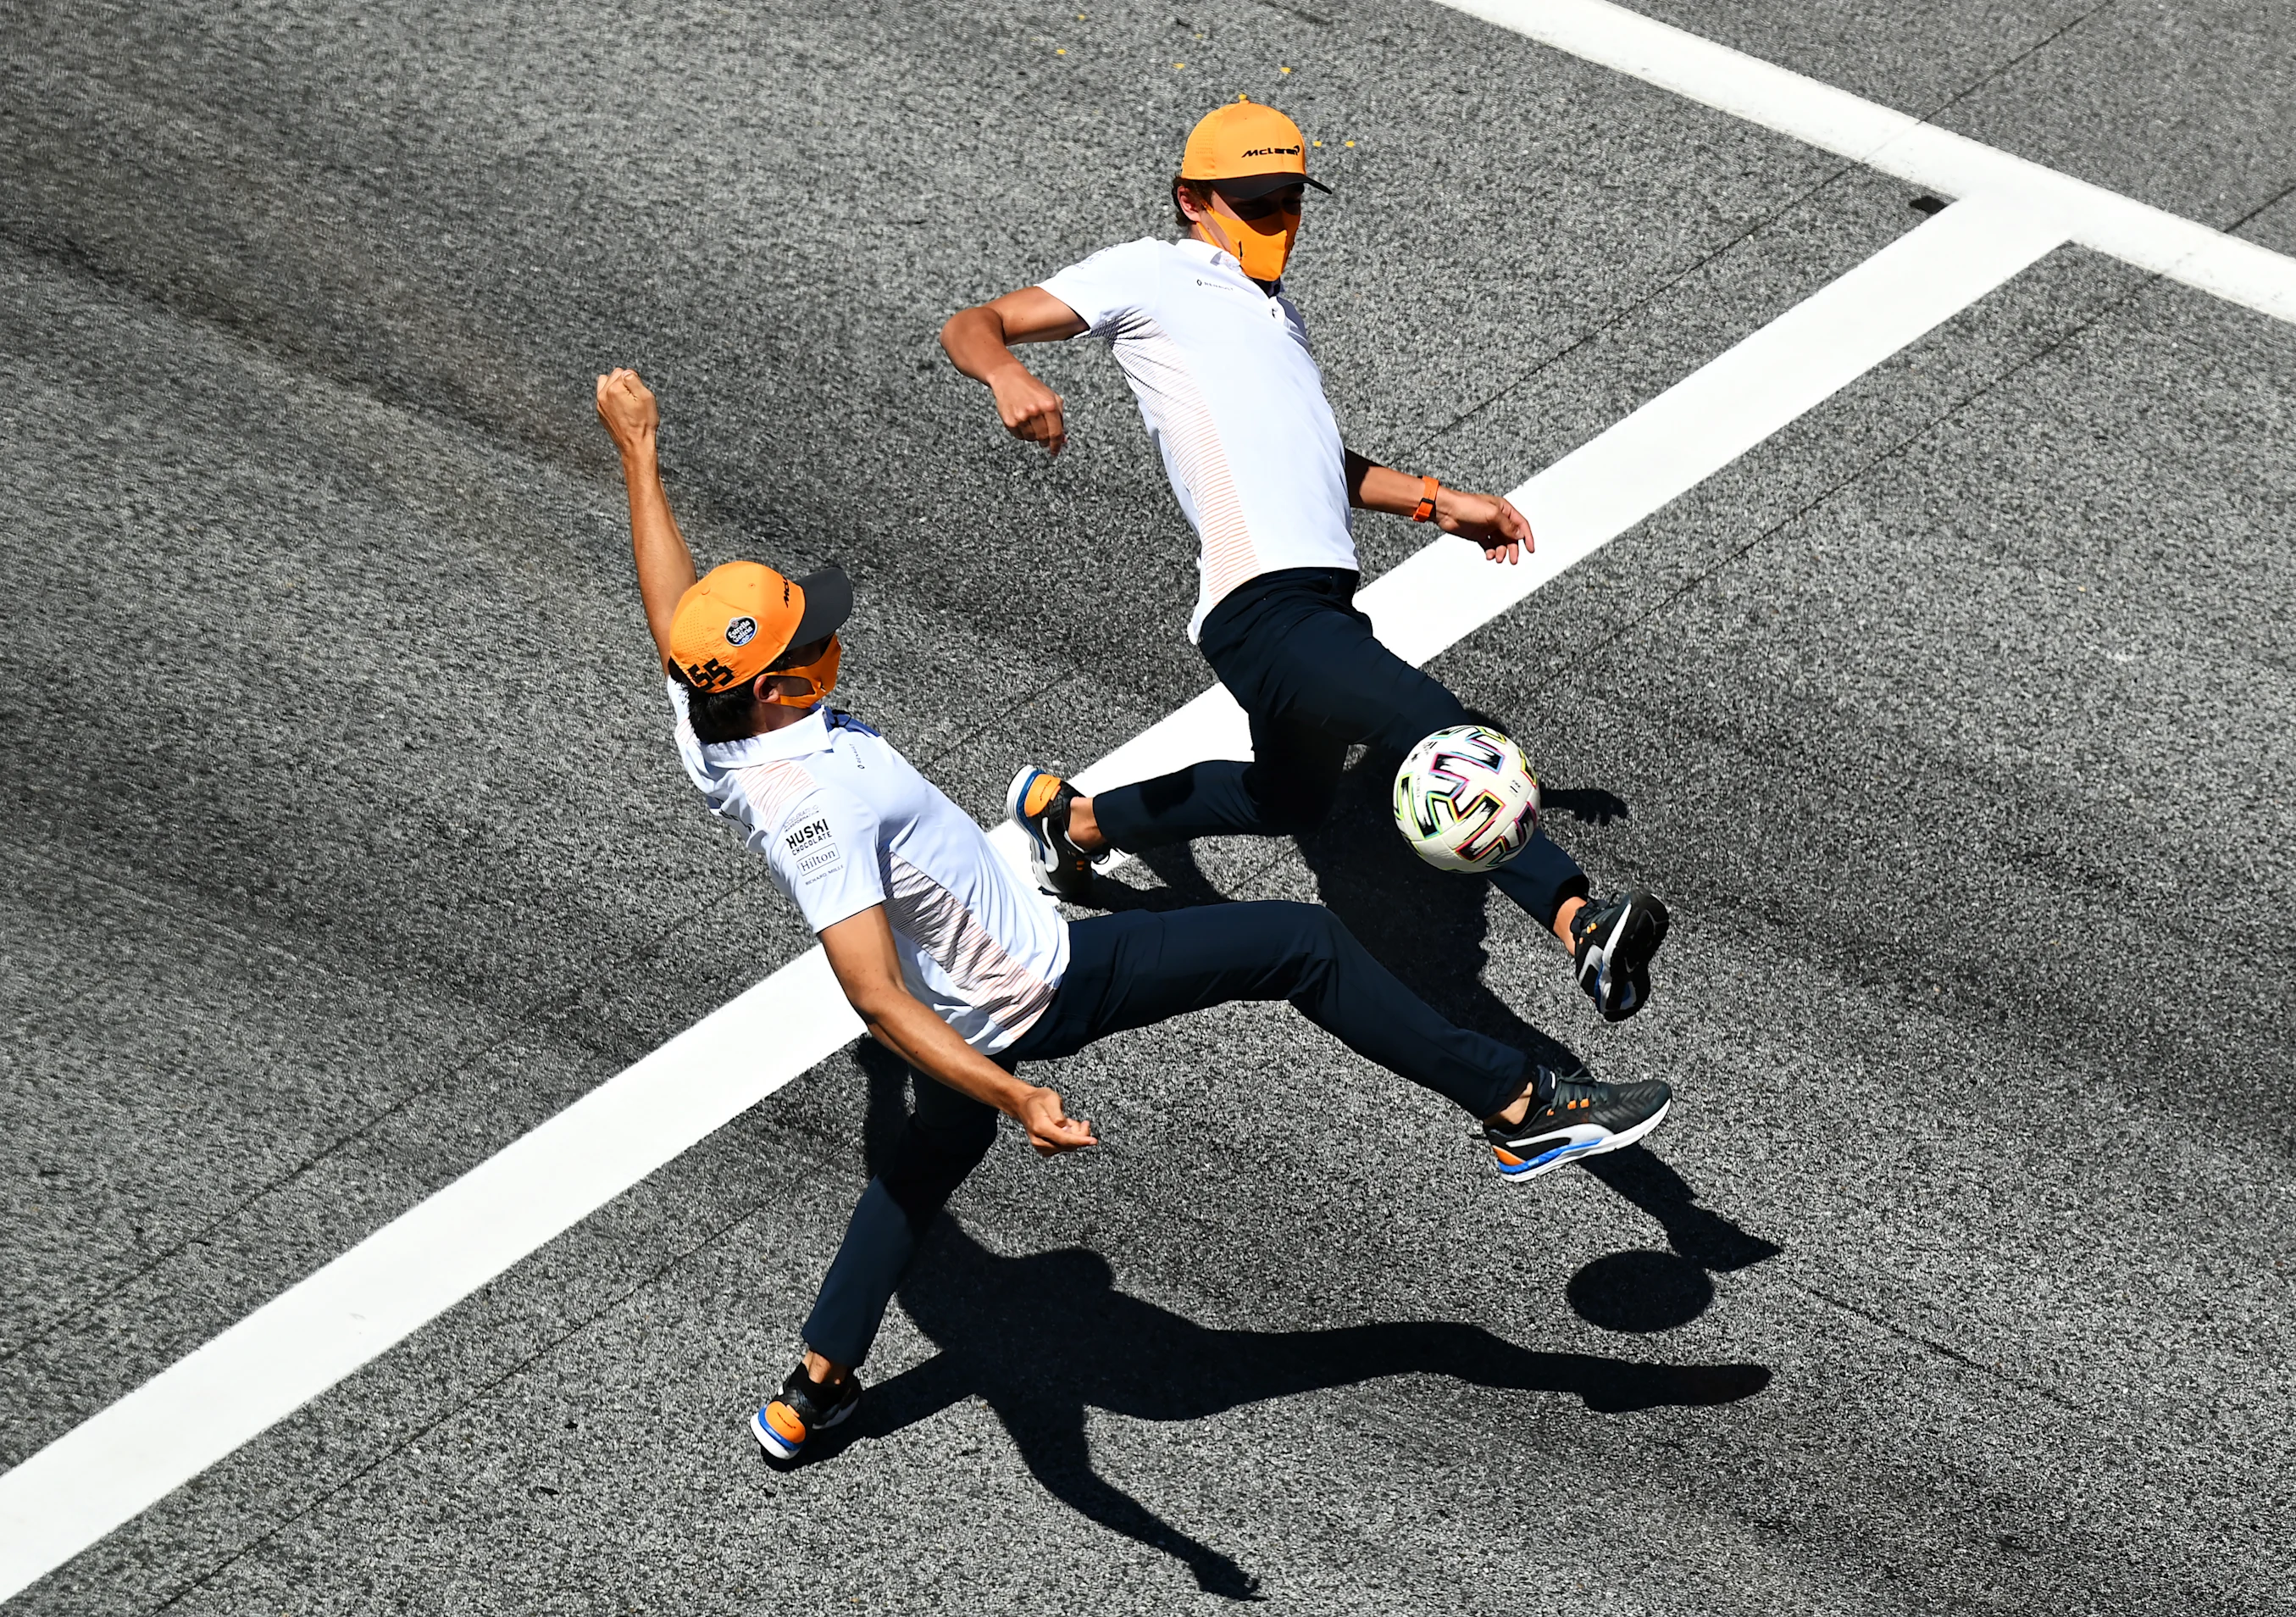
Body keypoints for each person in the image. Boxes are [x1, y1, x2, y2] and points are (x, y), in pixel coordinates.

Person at [592, 369, 1674, 1463]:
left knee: (917, 1177)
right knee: (1302, 946)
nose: (831, 638)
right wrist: (1019, 1094)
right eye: (811, 639)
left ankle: (813, 1392)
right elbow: (871, 994)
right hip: (1034, 985)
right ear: (777, 686)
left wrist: (639, 451)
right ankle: (1523, 1105)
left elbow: (671, 613)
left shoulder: (714, 711)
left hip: (960, 1005)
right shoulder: (812, 801)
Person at [938, 100, 1671, 1025]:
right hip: (1264, 611)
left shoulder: (1279, 322)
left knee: (1289, 796)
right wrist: (1007, 373)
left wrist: (1442, 503)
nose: (1276, 220)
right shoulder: (1151, 274)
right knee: (1436, 729)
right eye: (1252, 201)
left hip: (1313, 609)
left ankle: (1073, 822)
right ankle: (1579, 922)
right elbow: (973, 321)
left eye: (1287, 200)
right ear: (1192, 201)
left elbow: (1316, 461)